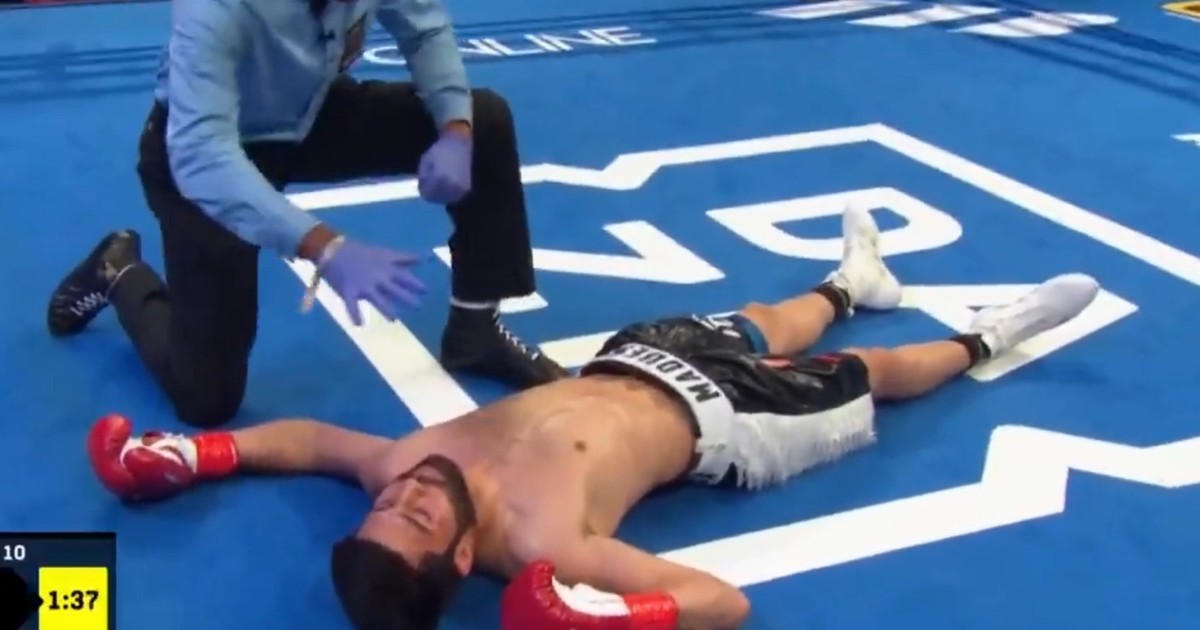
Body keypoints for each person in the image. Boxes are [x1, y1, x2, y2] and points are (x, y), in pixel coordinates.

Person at [87, 207, 1101, 630]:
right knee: (874, 373)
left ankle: (849, 281)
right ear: (459, 559)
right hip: (731, 424)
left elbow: (311, 444)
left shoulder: (403, 473)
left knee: (764, 317)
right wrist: (618, 618)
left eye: (387, 505)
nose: (406, 492)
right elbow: (722, 602)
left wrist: (199, 452)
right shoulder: (546, 541)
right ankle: (992, 338)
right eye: (418, 517)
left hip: (633, 358)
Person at [45, 0, 566, 428]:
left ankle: (475, 330)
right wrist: (326, 246)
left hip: (306, 115)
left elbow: (424, 28)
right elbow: (201, 152)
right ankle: (118, 270)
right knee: (206, 398)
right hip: (204, 155)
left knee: (484, 120)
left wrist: (455, 130)